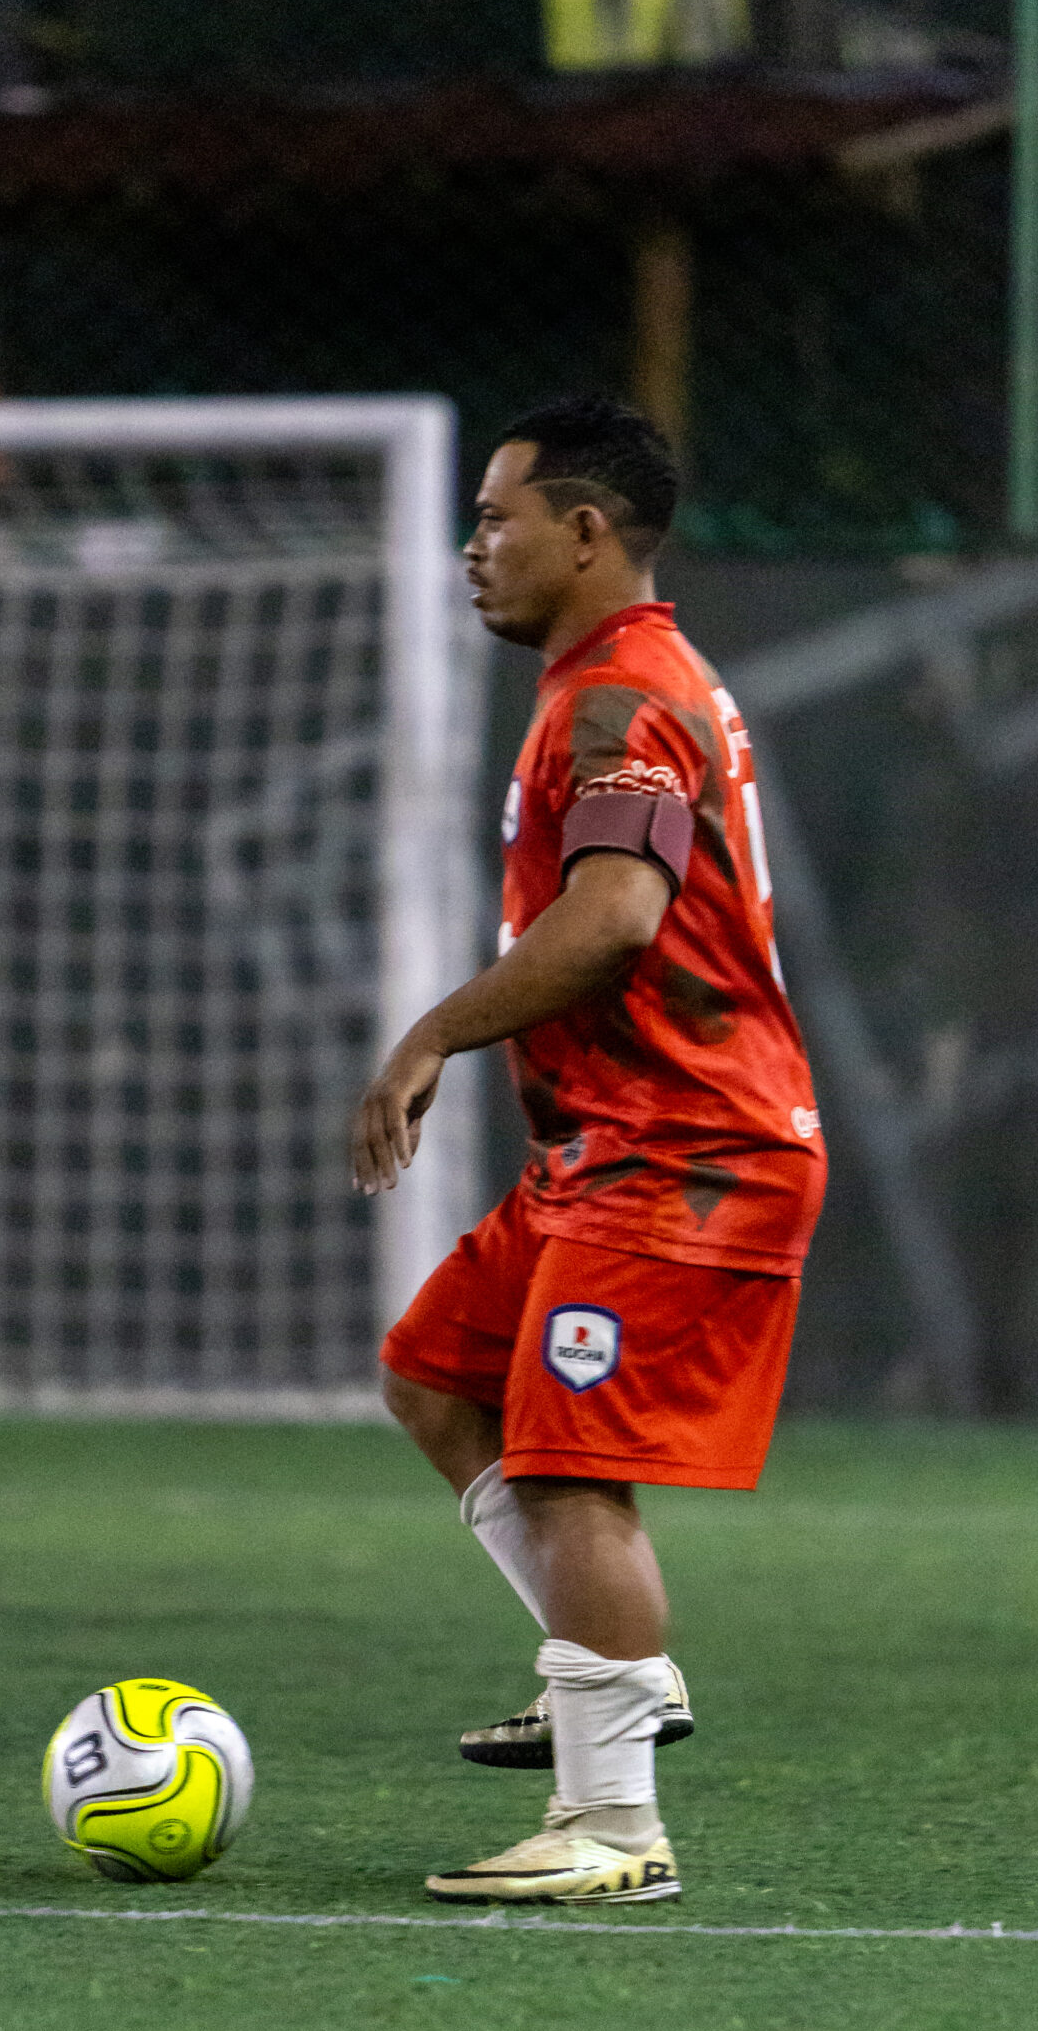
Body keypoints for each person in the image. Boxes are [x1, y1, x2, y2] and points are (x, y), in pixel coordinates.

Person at [352, 394, 828, 1905]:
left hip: (687, 1150)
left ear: (583, 532)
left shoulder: (625, 697)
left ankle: (615, 1826)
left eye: (496, 519)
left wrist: (432, 1034)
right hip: (613, 1149)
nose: (473, 547)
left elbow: (616, 918)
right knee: (439, 1376)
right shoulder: (609, 685)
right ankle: (614, 1677)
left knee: (567, 1460)